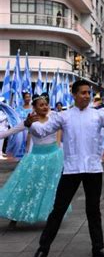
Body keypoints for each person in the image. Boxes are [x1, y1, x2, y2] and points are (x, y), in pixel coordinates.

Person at [26, 80, 104, 257]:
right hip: (71, 168)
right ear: (74, 94)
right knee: (58, 210)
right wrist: (29, 124)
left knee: (93, 210)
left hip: (93, 169)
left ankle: (98, 247)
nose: (87, 96)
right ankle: (42, 250)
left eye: (88, 93)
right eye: (83, 92)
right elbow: (42, 130)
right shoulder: (64, 116)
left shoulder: (98, 115)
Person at [0, 95, 64, 226]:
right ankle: (14, 215)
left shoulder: (54, 118)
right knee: (26, 186)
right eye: (41, 105)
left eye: (46, 104)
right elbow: (10, 132)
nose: (45, 107)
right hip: (35, 158)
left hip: (53, 157)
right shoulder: (29, 121)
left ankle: (49, 216)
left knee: (50, 187)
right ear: (34, 107)